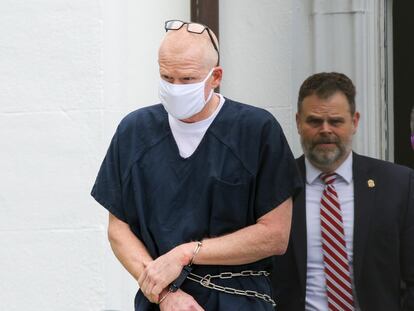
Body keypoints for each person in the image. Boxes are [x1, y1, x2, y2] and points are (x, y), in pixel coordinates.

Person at [91, 19, 302, 311]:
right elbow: (118, 229)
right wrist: (163, 294)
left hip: (238, 299)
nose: (175, 88)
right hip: (161, 302)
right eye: (167, 77)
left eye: (187, 80)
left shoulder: (255, 131)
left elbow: (274, 235)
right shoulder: (135, 131)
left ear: (215, 77)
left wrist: (186, 253)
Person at [271, 72, 414, 311]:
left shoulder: (399, 184)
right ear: (298, 122)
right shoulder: (275, 184)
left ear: (355, 121)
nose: (325, 130)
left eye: (336, 121)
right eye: (314, 121)